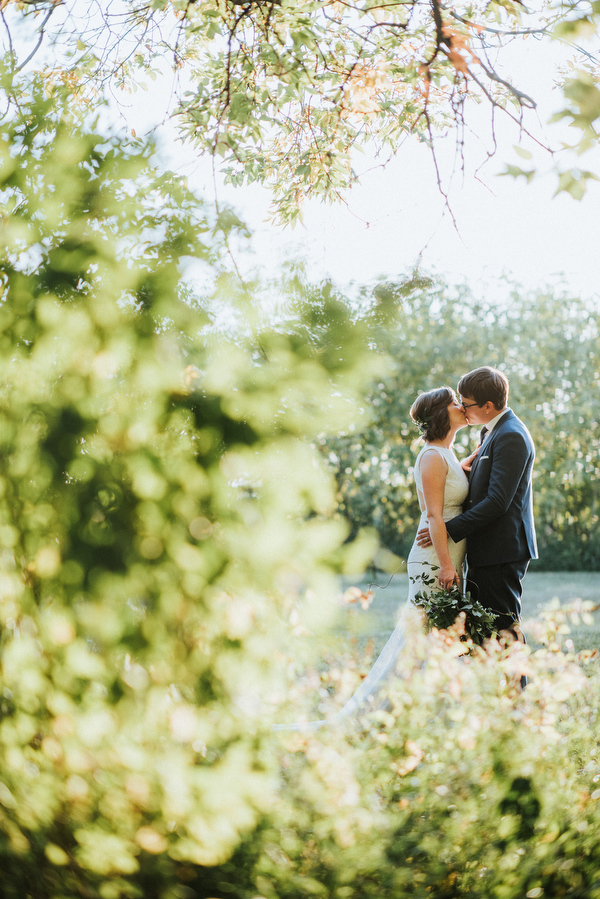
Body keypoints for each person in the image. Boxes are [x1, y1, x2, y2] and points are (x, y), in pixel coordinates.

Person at [274, 386, 470, 730]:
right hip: (435, 560)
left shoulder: (447, 455)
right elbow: (435, 516)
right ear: (443, 414)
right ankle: (390, 713)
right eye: (455, 402)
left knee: (434, 635)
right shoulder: (431, 457)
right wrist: (448, 565)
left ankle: (423, 710)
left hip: (444, 552)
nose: (461, 406)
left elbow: (451, 484)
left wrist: (476, 457)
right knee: (424, 635)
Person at [417, 366, 537, 642]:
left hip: (502, 550)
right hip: (486, 547)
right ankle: (491, 685)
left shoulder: (511, 435)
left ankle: (515, 687)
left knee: (504, 629)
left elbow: (497, 501)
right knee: (483, 633)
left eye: (465, 403)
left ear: (488, 405)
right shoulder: (490, 431)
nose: (461, 407)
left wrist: (448, 528)